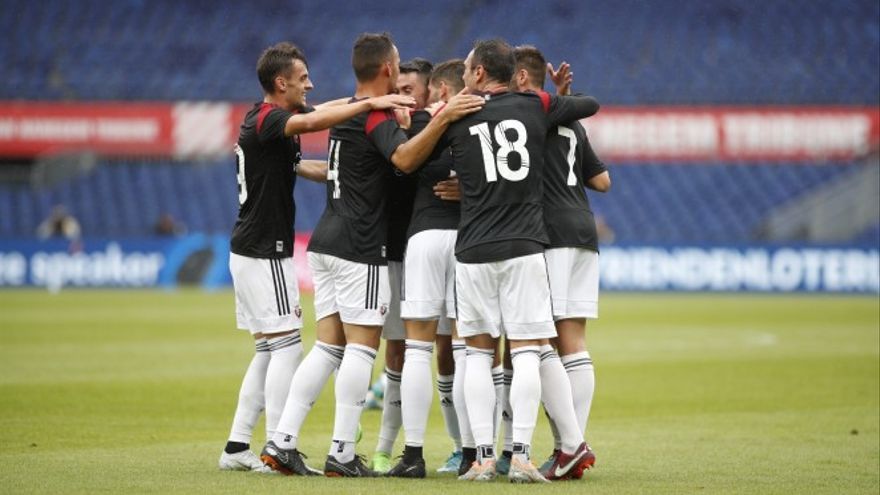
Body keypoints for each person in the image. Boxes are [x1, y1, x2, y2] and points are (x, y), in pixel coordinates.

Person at [260, 32, 484, 477]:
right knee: (362, 351)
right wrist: (441, 119)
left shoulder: (347, 111)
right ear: (386, 69)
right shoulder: (373, 116)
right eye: (396, 65)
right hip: (360, 246)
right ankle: (342, 451)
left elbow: (325, 121)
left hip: (325, 240)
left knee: (327, 347)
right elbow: (403, 160)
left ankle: (282, 441)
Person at [218, 41, 415, 473]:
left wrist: (357, 117)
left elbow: (306, 149)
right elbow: (316, 118)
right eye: (303, 78)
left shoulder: (265, 120)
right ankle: (278, 446)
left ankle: (238, 445)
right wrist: (370, 104)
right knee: (288, 348)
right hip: (263, 249)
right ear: (280, 82)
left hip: (255, 247)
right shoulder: (271, 119)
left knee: (272, 351)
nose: (311, 83)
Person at [444, 39, 599, 483]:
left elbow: (416, 160)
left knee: (476, 352)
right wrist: (555, 96)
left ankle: (482, 458)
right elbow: (591, 104)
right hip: (526, 245)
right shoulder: (534, 107)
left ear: (476, 74)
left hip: (473, 247)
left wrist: (445, 113)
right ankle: (524, 456)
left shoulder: (459, 113)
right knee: (528, 349)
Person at [510, 45, 611, 480]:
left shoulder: (526, 115)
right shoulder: (569, 122)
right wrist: (564, 103)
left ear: (521, 80)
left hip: (548, 232)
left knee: (540, 342)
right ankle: (571, 446)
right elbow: (602, 181)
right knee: (574, 341)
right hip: (583, 231)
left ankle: (570, 444)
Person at [385, 59, 467, 478]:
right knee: (470, 349)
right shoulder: (482, 120)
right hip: (471, 241)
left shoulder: (414, 123)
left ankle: (413, 454)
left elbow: (400, 164)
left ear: (436, 89)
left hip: (425, 237)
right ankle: (477, 452)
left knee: (418, 348)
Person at [369, 57, 434, 474]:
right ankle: (384, 448)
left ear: (429, 93)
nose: (403, 96)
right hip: (392, 251)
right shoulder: (384, 130)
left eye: (411, 90)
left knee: (444, 350)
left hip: (433, 253)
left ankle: (467, 449)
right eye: (399, 87)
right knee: (396, 350)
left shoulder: (438, 128)